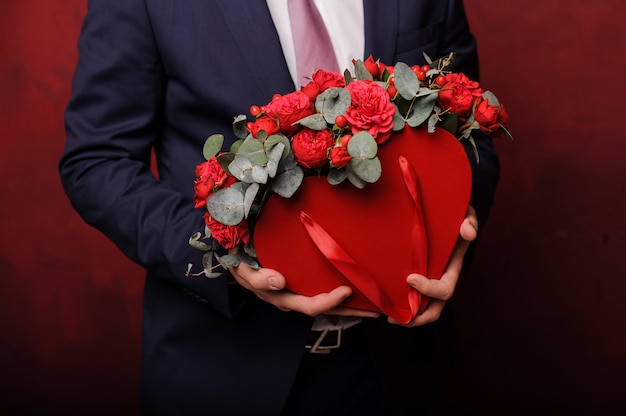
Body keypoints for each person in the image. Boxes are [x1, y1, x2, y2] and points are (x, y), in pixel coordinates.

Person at [60, 1, 499, 415]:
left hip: (393, 372)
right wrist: (222, 253)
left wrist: (454, 234)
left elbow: (469, 128)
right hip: (221, 371)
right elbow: (97, 161)